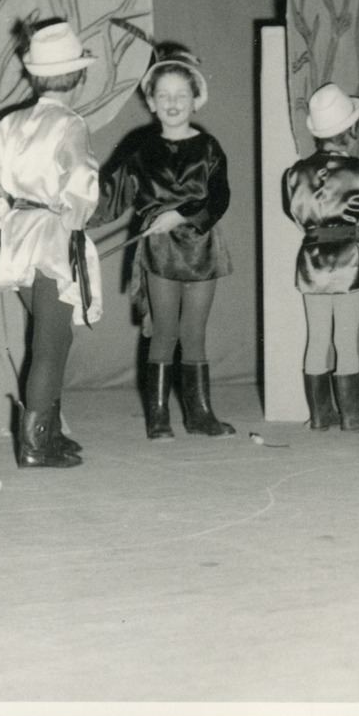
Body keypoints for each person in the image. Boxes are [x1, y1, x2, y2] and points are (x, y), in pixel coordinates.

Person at [0, 21, 102, 468]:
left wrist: (7, 216)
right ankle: (37, 446)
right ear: (79, 77)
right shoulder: (70, 124)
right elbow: (81, 180)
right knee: (51, 345)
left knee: (49, 339)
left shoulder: (11, 123)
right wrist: (74, 214)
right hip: (54, 241)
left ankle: (50, 433)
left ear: (34, 76)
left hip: (19, 239)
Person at [92, 45, 235, 439]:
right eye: (164, 96)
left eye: (181, 96)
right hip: (159, 252)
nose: (173, 103)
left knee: (195, 334)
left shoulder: (208, 148)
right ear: (152, 102)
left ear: (195, 101)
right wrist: (72, 217)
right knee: (164, 331)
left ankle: (200, 413)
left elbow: (219, 197)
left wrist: (182, 214)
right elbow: (110, 196)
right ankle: (158, 416)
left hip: (202, 248)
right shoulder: (141, 149)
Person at [283, 83, 359, 431]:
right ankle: (352, 414)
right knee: (345, 337)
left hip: (311, 259)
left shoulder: (295, 173)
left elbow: (293, 212)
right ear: (349, 129)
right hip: (347, 258)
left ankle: (320, 415)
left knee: (317, 337)